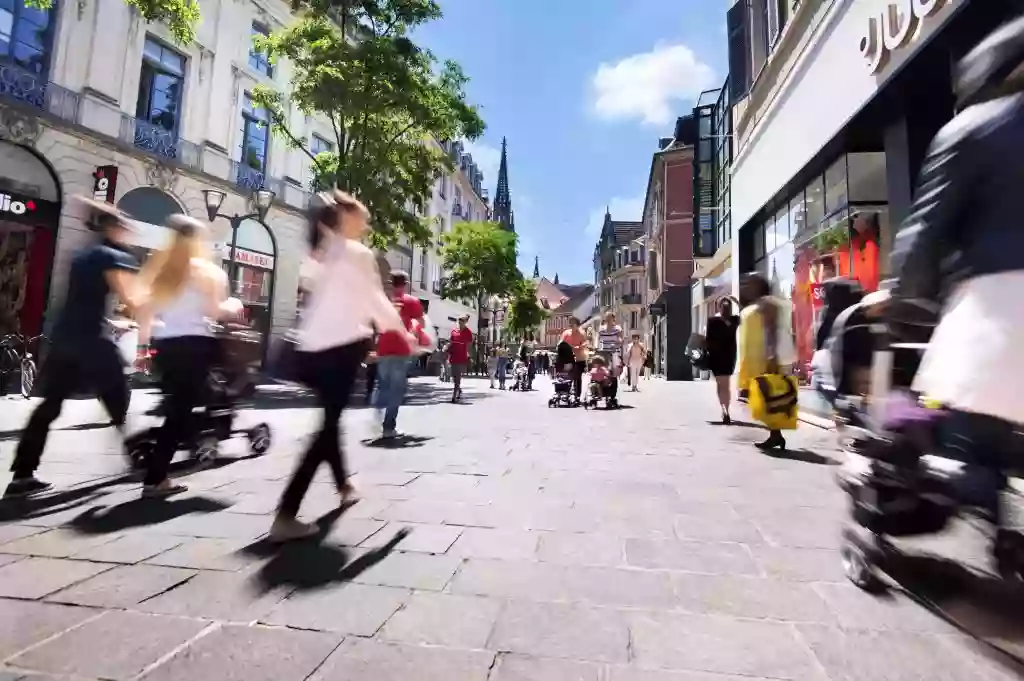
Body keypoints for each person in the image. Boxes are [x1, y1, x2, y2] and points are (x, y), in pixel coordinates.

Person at [883, 16, 1024, 521]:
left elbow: (924, 231)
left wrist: (901, 297)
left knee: (966, 443)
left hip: (996, 307)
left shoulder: (972, 128)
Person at [271, 190, 407, 541]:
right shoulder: (356, 254)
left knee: (330, 422)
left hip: (309, 352)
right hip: (340, 351)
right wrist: (403, 332)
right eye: (363, 217)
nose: (367, 223)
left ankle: (344, 485)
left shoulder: (319, 254)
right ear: (346, 218)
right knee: (326, 428)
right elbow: (376, 302)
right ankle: (286, 515)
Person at [6, 198, 141, 499]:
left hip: (66, 338)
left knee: (49, 406)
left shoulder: (82, 255)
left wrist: (108, 320)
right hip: (92, 341)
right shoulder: (111, 256)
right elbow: (131, 298)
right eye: (123, 226)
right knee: (118, 398)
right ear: (113, 228)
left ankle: (22, 474)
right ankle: (140, 458)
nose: (127, 232)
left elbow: (82, 300)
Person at [132, 215, 243, 498]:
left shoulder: (160, 269)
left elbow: (144, 312)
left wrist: (142, 350)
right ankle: (155, 478)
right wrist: (235, 304)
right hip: (196, 347)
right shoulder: (206, 272)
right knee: (180, 413)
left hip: (165, 347)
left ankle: (161, 465)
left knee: (179, 407)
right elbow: (215, 312)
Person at [737, 272, 796, 450]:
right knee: (765, 399)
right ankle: (775, 435)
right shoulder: (759, 304)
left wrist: (771, 356)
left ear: (759, 285)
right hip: (757, 359)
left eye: (749, 284)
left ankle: (776, 435)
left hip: (767, 358)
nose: (745, 287)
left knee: (770, 397)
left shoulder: (767, 304)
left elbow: (771, 330)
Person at [373, 271, 424, 438]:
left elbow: (375, 323)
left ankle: (377, 402)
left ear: (391, 282)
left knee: (385, 385)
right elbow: (420, 323)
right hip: (401, 349)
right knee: (397, 389)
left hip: (383, 348)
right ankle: (388, 427)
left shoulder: (383, 301)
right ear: (406, 283)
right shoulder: (411, 301)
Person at [705, 298, 741, 424]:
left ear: (718, 308)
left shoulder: (712, 321)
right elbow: (743, 312)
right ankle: (726, 410)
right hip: (729, 356)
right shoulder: (735, 320)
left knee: (721, 385)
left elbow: (708, 340)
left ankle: (724, 409)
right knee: (726, 385)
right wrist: (736, 301)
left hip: (716, 357)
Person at [595, 311, 623, 405]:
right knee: (602, 372)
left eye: (610, 318)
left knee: (613, 374)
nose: (608, 320)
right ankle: (601, 391)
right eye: (607, 318)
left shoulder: (617, 329)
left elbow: (620, 339)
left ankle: (612, 395)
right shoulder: (601, 329)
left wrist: (616, 343)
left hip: (614, 352)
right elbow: (597, 339)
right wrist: (596, 347)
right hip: (604, 353)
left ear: (613, 319)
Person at [560, 316, 588, 399]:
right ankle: (566, 392)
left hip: (579, 358)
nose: (571, 324)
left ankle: (577, 395)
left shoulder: (582, 333)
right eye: (570, 323)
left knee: (577, 377)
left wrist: (579, 347)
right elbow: (561, 343)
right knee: (567, 375)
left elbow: (585, 342)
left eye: (573, 323)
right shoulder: (566, 333)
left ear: (577, 324)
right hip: (568, 358)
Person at [447, 314, 473, 401]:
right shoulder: (454, 331)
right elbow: (450, 342)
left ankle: (454, 396)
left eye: (462, 320)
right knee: (453, 377)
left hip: (461, 358)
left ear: (466, 322)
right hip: (452, 357)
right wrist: (446, 348)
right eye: (459, 320)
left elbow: (469, 346)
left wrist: (468, 355)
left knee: (457, 377)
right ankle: (458, 389)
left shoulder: (468, 332)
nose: (460, 322)